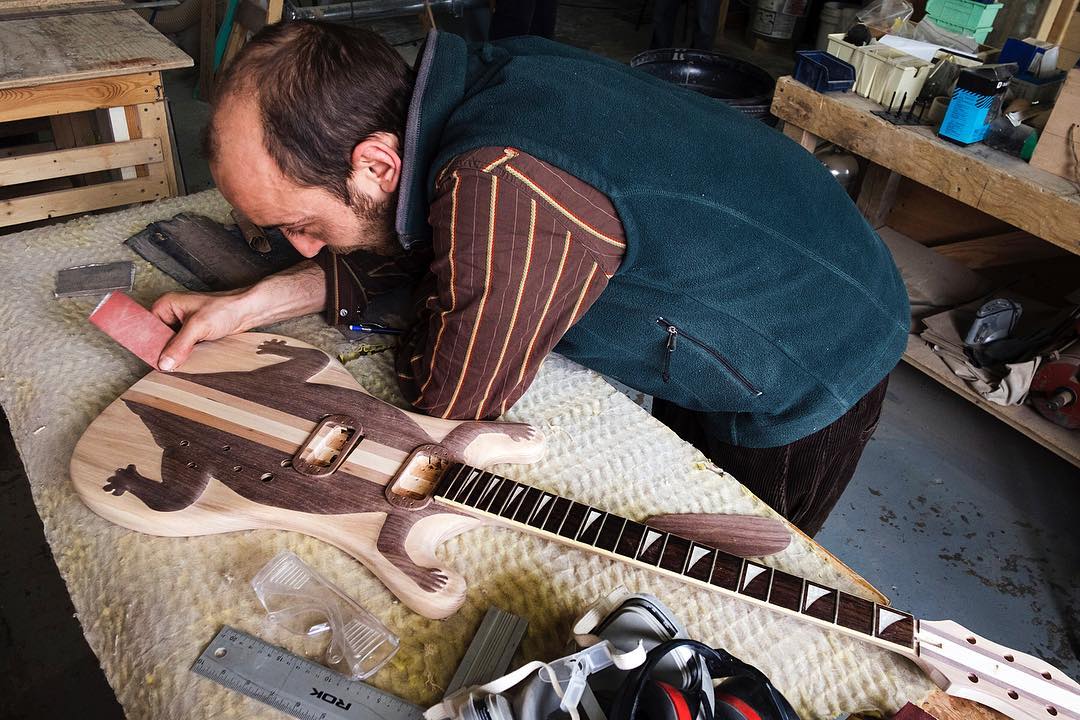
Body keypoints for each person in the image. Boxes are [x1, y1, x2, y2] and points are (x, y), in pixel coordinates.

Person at [153, 21, 909, 536]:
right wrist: (258, 300)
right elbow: (436, 250)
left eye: (304, 227)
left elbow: (450, 407)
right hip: (767, 257)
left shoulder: (503, 181)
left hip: (816, 346)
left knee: (723, 562)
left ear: (377, 164)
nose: (305, 251)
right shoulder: (471, 79)